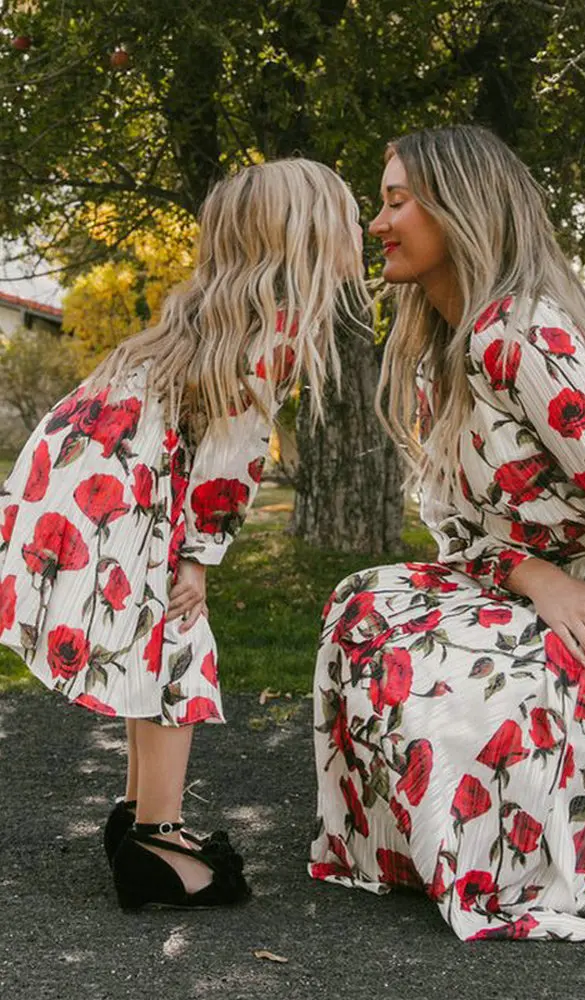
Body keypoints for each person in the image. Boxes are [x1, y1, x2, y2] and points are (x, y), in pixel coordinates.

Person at [309, 125, 585, 943]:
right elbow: (454, 530)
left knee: (472, 684)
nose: (377, 225)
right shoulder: (433, 357)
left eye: (396, 202)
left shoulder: (523, 336)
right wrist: (532, 577)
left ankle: (536, 857)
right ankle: (436, 853)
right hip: (546, 587)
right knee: (365, 606)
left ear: (461, 209)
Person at [1, 158, 366, 910]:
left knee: (151, 639)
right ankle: (156, 840)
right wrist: (198, 554)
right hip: (123, 481)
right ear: (303, 241)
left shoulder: (213, 313)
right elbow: (229, 458)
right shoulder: (271, 327)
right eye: (350, 221)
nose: (361, 232)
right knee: (176, 643)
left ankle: (139, 814)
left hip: (82, 465)